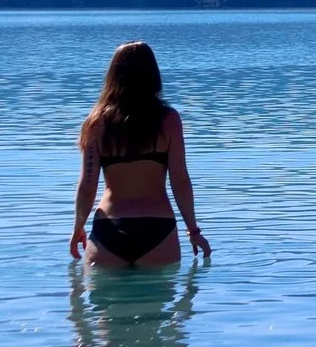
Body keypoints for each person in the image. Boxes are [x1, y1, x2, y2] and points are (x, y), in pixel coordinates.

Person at [70, 41, 212, 267]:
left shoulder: (96, 124)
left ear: (113, 76)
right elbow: (180, 181)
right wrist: (193, 231)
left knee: (99, 290)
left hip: (109, 231)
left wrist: (78, 228)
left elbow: (88, 186)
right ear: (153, 75)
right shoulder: (169, 121)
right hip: (158, 230)